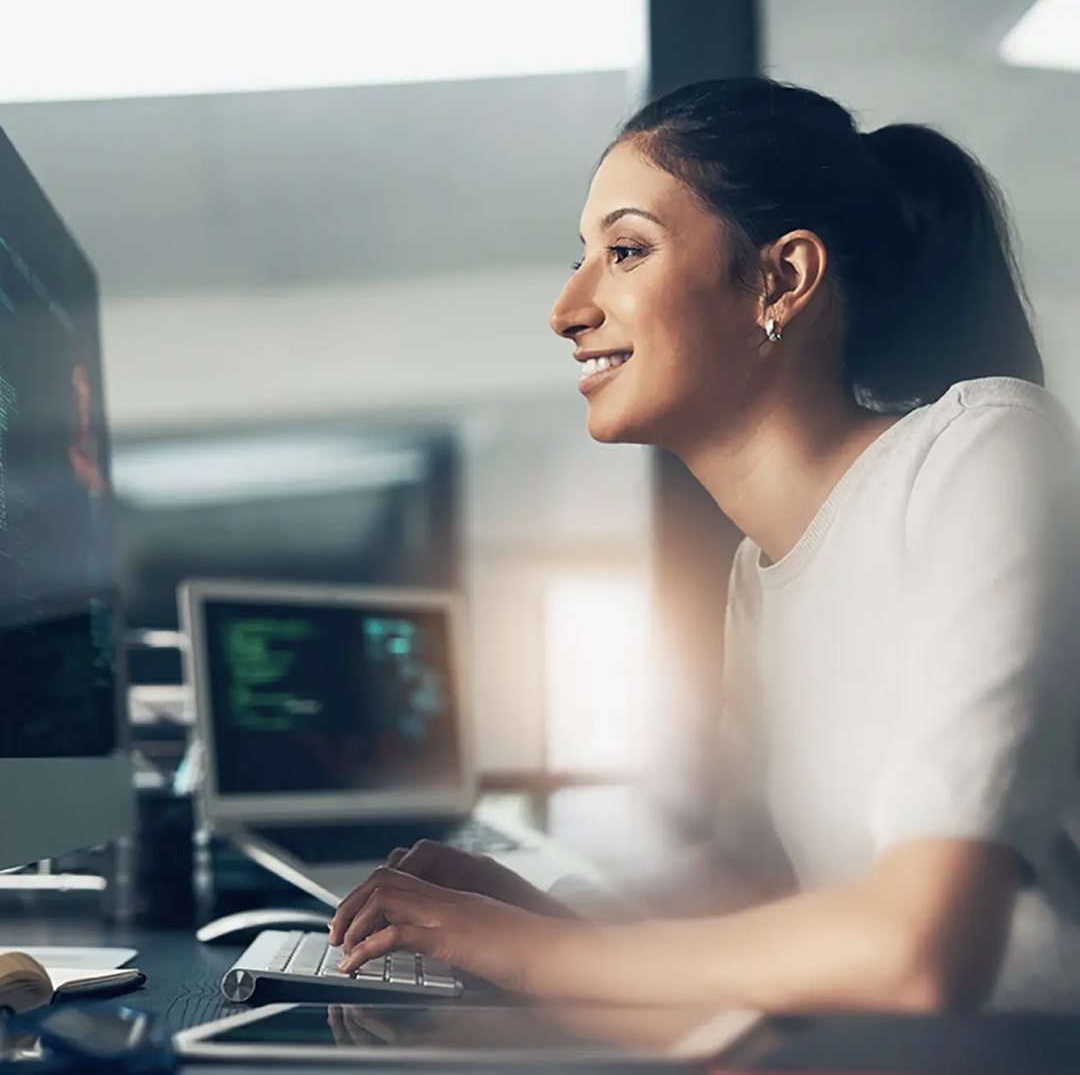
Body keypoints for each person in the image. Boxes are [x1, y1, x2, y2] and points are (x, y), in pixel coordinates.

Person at [329, 77, 1080, 1013]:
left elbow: (916, 951)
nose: (567, 308)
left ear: (782, 279)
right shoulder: (759, 576)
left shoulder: (988, 447)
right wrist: (529, 911)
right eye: (582, 258)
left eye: (626, 251)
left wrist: (521, 949)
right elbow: (758, 897)